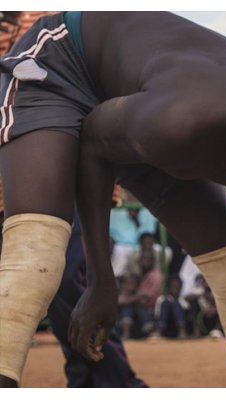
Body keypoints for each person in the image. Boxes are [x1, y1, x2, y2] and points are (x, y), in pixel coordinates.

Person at [0, 11, 226, 387]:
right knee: (35, 256)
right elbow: (97, 140)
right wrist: (101, 280)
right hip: (64, 66)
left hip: (138, 106)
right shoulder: (186, 121)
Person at [0, 11, 147, 388]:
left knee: (69, 284)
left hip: (59, 182)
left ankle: (107, 383)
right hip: (11, 182)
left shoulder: (54, 19)